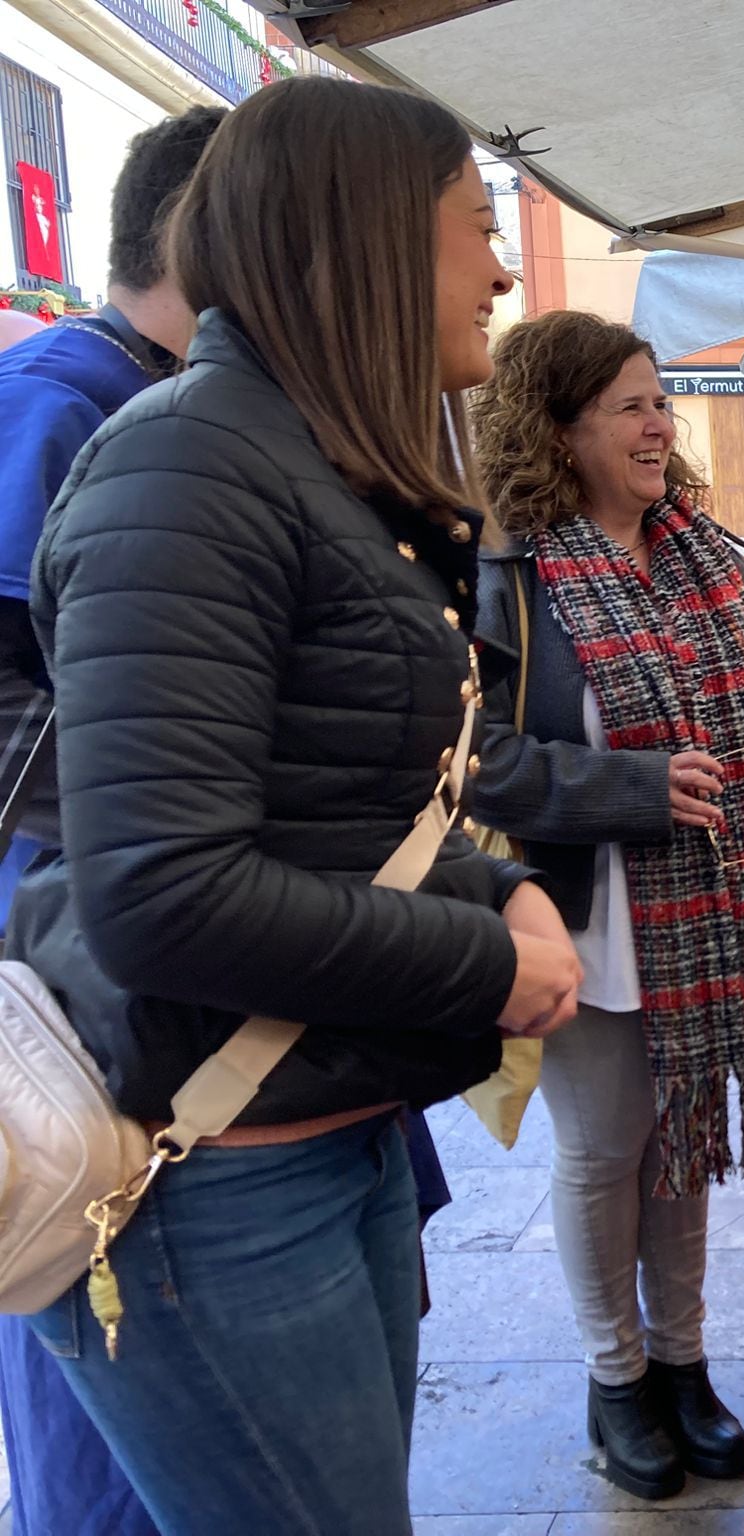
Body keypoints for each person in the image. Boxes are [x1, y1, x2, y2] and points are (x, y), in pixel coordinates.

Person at [10, 77, 583, 1534]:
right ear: (369, 242)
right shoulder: (186, 464)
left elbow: (328, 804)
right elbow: (165, 893)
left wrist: (491, 884)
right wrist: (484, 957)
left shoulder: (311, 470)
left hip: (320, 1128)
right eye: (476, 229)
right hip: (210, 1184)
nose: (502, 271)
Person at [468, 309, 744, 1500]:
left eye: (659, 401)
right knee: (602, 1154)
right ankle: (614, 1377)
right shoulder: (509, 574)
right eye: (628, 404)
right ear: (559, 425)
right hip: (579, 915)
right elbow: (468, 757)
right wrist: (627, 788)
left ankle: (683, 1366)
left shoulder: (703, 556)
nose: (655, 424)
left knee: (679, 1150)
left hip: (712, 915)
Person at [0, 109, 225, 1536]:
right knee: (101, 1355)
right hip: (86, 985)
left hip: (146, 963)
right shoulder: (63, 396)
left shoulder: (157, 398)